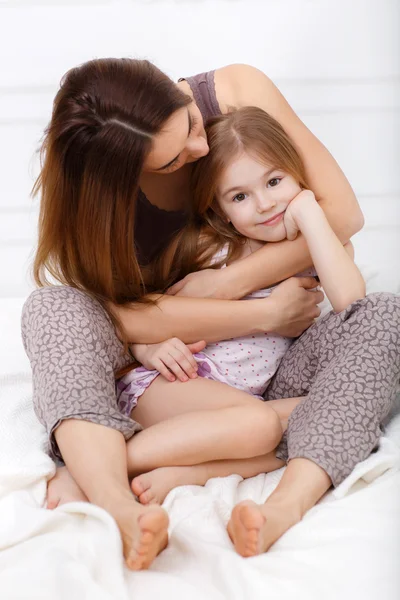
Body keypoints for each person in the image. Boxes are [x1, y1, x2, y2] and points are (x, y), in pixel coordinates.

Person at [21, 58, 398, 570]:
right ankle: (108, 489)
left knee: (385, 318)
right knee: (52, 307)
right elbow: (124, 317)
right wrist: (257, 317)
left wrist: (233, 282)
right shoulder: (159, 224)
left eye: (191, 123)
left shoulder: (234, 94)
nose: (201, 148)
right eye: (175, 159)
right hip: (184, 362)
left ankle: (278, 502)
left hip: (267, 370)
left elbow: (345, 222)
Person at [114, 107, 366, 515]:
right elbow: (138, 315)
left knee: (328, 412)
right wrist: (148, 350)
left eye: (275, 181)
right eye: (240, 196)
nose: (265, 205)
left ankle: (189, 472)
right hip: (174, 383)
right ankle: (109, 462)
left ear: (298, 173)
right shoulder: (208, 249)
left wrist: (310, 213)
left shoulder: (317, 252)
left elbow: (355, 307)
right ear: (219, 209)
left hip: (237, 405)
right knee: (262, 426)